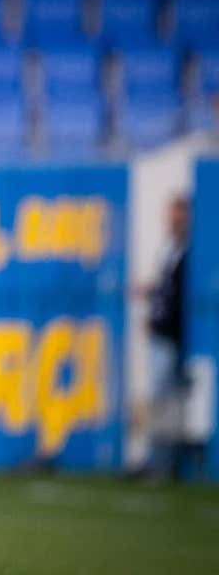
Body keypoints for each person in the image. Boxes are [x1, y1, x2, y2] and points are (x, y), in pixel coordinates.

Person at [140, 194, 192, 480]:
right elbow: (165, 291)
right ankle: (156, 458)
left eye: (177, 214)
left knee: (166, 399)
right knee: (160, 398)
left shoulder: (188, 251)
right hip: (161, 332)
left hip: (173, 335)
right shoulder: (169, 249)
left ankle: (163, 462)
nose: (172, 220)